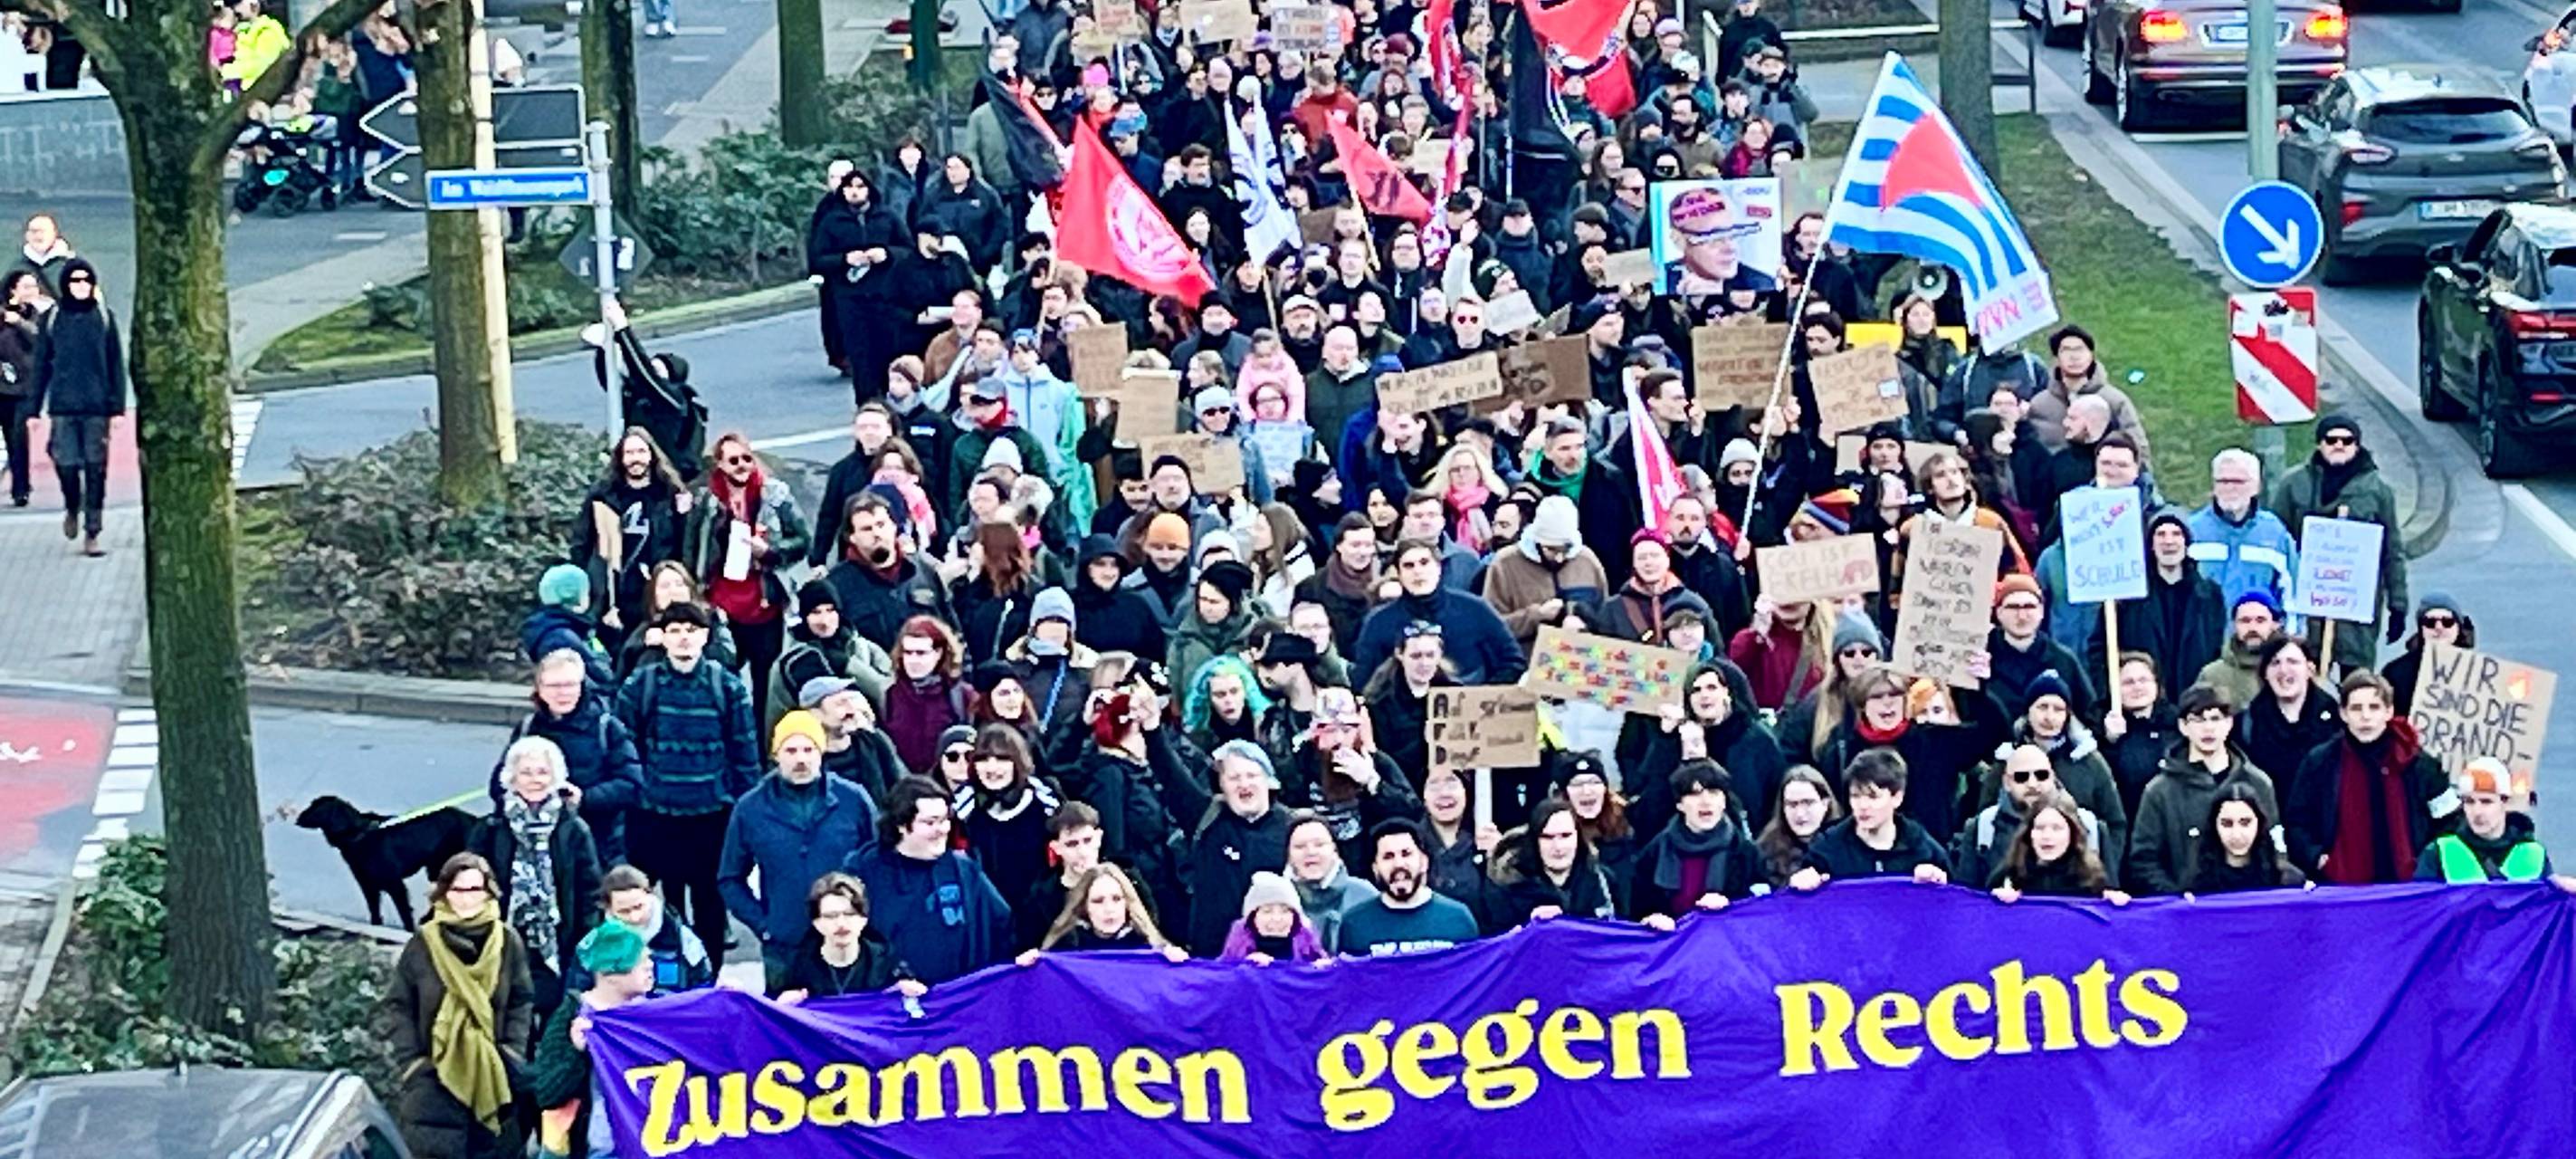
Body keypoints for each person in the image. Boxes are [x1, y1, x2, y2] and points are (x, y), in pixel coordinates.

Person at [613, 602, 760, 968]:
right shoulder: (640, 685)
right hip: (654, 816)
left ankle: (707, 981)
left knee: (710, 907)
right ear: (662, 637)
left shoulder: (727, 687)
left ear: (705, 637)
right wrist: (638, 792)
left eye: (691, 631)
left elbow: (744, 753)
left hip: (710, 816)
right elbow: (623, 747)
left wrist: (746, 813)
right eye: (675, 630)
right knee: (643, 906)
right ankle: (641, 976)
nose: (683, 638)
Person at [382, 853, 533, 1159]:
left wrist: (511, 1050)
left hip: (493, 1075)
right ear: (443, 893)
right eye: (458, 890)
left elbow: (521, 999)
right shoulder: (424, 943)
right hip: (433, 1084)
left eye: (475, 889)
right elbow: (399, 1005)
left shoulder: (507, 941)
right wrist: (413, 1063)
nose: (466, 899)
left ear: (489, 892)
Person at [719, 710, 876, 991]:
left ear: (822, 752)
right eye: (790, 750)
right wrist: (765, 926)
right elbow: (730, 879)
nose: (801, 759)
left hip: (848, 943)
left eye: (808, 749)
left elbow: (879, 863)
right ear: (775, 755)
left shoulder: (854, 800)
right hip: (785, 945)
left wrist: (863, 918)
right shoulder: (750, 809)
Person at [468, 737, 603, 1022]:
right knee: (509, 1017)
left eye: (542, 772)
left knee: (554, 1016)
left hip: (558, 942)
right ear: (511, 778)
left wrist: (585, 939)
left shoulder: (574, 829)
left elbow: (590, 890)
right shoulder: (490, 829)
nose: (535, 780)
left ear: (556, 777)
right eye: (526, 772)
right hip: (504, 941)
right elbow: (472, 885)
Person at [2268, 415, 2406, 675]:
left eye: (2347, 440)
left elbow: (2393, 552)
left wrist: (2398, 605)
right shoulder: (2294, 484)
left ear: (2357, 445)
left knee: (2357, 680)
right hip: (2308, 605)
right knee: (2305, 677)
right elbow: (2276, 543)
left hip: (2357, 608)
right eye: (2331, 440)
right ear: (2319, 444)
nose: (2339, 445)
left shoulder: (2378, 491)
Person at [2286, 671, 2454, 884]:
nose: (2365, 716)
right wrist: (2317, 858)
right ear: (2343, 713)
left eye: (2374, 707)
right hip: (2341, 887)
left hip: (2408, 887)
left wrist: (2426, 863)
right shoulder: (2319, 762)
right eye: (2356, 708)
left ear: (2388, 712)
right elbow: (2297, 821)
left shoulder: (2419, 763)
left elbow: (2450, 818)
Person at [687, 434, 809, 726]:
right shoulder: (707, 500)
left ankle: (762, 738)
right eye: (733, 460)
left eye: (746, 458)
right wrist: (695, 588)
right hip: (722, 603)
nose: (742, 465)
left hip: (764, 601)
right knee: (724, 676)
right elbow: (691, 547)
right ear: (720, 465)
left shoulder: (775, 494)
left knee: (765, 679)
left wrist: (770, 551)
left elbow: (803, 541)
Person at [842, 777, 1013, 983]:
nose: (941, 829)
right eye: (930, 822)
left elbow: (1002, 925)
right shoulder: (864, 872)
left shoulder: (965, 870)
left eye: (944, 820)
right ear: (901, 825)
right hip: (892, 997)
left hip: (957, 995)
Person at [500, 650, 644, 869]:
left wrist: (584, 798)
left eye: (570, 685)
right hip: (536, 848)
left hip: (598, 849)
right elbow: (500, 782)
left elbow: (632, 784)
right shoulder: (527, 728)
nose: (562, 693)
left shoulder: (606, 727)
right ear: (539, 689)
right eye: (554, 686)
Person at [528, 920, 653, 1159]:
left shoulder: (654, 1012)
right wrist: (575, 1053)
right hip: (596, 1149)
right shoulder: (571, 1016)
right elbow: (546, 1093)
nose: (650, 966)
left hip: (648, 1144)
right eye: (640, 961)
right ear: (610, 974)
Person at [32, 257, 121, 557]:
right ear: (65, 285)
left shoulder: (104, 318)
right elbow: (41, 365)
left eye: (86, 281)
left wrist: (117, 407)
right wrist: (33, 409)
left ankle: (93, 531)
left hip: (96, 407)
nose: (81, 286)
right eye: (75, 281)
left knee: (96, 469)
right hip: (63, 406)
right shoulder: (53, 320)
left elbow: (115, 364)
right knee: (66, 464)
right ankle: (73, 505)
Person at [577, 428, 693, 654]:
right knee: (619, 653)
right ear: (620, 458)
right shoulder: (604, 496)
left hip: (658, 590)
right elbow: (583, 540)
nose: (635, 459)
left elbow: (685, 543)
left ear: (651, 455)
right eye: (629, 453)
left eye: (641, 451)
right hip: (617, 593)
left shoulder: (669, 493)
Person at [2091, 509, 2223, 698]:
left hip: (2194, 702)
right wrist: (2111, 693)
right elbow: (2100, 649)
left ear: (2186, 543)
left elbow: (2218, 650)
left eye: (2176, 534)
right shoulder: (2127, 596)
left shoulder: (2209, 596)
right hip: (2142, 703)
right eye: (2161, 534)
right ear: (2151, 544)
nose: (2168, 541)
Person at [1181, 741, 1293, 954]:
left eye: (1252, 775)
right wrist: (1152, 730)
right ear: (1222, 786)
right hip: (1212, 959)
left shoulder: (1292, 828)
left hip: (1278, 960)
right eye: (1234, 778)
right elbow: (1171, 776)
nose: (1244, 784)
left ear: (1269, 781)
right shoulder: (1207, 819)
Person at [1627, 760, 1764, 922]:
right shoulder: (1654, 853)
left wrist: (1730, 906)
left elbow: (1759, 910)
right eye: (1694, 793)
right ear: (1680, 804)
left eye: (1713, 792)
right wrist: (1651, 919)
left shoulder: (1746, 853)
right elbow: (1637, 911)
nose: (1705, 801)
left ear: (1724, 801)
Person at [1798, 750, 1951, 884]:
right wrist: (1804, 882)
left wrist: (1936, 881)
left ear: (1897, 798)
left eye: (1873, 797)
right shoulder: (1827, 850)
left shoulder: (1924, 850)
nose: (1863, 806)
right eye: (1855, 796)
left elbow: (1953, 897)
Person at [1337, 819, 1484, 955]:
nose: (1399, 864)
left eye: (1406, 854)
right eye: (1388, 857)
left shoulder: (1458, 918)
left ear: (1424, 862)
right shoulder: (1354, 924)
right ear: (1375, 868)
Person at [774, 874, 924, 1001]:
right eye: (831, 916)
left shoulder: (886, 964)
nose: (841, 923)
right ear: (817, 923)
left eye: (850, 914)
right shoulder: (798, 968)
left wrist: (908, 991)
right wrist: (783, 1007)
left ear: (864, 919)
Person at [2185, 448, 2297, 612]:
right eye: (2223, 481)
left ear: (2256, 486)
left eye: (2238, 481)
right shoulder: (2191, 531)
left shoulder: (2275, 534)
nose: (2230, 488)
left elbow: (2291, 596)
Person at [1485, 797, 1623, 928]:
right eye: (1547, 837)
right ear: (1534, 841)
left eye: (1565, 836)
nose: (1558, 847)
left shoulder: (1604, 881)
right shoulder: (1506, 886)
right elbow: (1496, 939)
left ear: (1578, 837)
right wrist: (1529, 927)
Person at [2414, 758, 2553, 883]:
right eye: (2469, 802)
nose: (2477, 811)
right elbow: (2423, 901)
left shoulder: (2533, 855)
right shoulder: (2439, 852)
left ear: (2505, 802)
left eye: (2486, 802)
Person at [1016, 864, 1189, 962]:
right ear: (1084, 907)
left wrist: (1176, 962)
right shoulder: (1063, 950)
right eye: (1098, 901)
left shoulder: (1154, 949)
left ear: (1127, 903)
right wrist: (1031, 967)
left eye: (1117, 899)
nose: (1109, 909)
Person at [589, 865, 712, 996]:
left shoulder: (683, 938)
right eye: (624, 911)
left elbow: (703, 990)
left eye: (638, 907)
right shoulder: (593, 946)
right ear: (609, 909)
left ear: (650, 896)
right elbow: (580, 993)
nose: (635, 917)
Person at [2236, 635, 2339, 790]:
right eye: (2275, 663)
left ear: (2310, 670)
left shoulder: (2337, 720)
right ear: (2265, 673)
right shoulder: (2246, 724)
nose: (2283, 670)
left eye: (2293, 662)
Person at [1991, 791, 2129, 904]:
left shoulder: (2094, 878)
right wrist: (1998, 899)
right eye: (2040, 828)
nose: (2047, 836)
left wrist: (2113, 900)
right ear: (2029, 833)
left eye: (2057, 828)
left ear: (2073, 833)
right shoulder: (2011, 872)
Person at [2181, 782, 2307, 895]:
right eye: (2227, 824)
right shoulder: (2196, 885)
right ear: (2214, 826)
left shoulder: (2287, 880)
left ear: (2259, 823)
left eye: (2245, 823)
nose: (2237, 835)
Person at [1, 270, 49, 508]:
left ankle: (21, 488)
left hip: (24, 387)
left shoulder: (38, 316)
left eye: (34, 286)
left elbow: (41, 340)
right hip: (3, 383)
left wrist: (19, 322)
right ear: (13, 290)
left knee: (18, 438)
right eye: (26, 287)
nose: (31, 292)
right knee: (6, 440)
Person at [2196, 590, 2282, 714]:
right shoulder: (2212, 675)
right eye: (2245, 621)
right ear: (2234, 625)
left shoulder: (2290, 669)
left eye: (2260, 620)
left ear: (2275, 624)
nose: (2252, 628)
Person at [2386, 592, 2469, 716]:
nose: (2439, 627)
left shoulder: (2480, 672)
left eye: (2447, 622)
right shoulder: (2395, 672)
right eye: (2430, 622)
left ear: (2458, 628)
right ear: (2421, 628)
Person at [1220, 871, 1330, 963]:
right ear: (1252, 917)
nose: (1277, 919)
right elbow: (1221, 975)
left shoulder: (1310, 948)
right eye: (1267, 911)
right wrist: (1244, 967)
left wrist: (1324, 971)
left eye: (1285, 911)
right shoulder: (1237, 948)